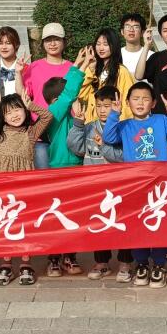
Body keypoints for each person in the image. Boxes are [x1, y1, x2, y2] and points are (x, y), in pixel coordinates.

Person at [101, 82, 167, 287]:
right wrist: (114, 114)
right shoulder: (124, 125)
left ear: (154, 103)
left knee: (160, 223)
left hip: (160, 184)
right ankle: (141, 263)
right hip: (135, 184)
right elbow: (108, 137)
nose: (140, 103)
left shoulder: (161, 120)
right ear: (128, 102)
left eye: (145, 98)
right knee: (137, 224)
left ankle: (159, 265)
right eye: (135, 98)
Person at [0, 67, 54, 287]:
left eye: (18, 110)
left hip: (23, 187)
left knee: (23, 223)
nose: (14, 115)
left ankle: (26, 263)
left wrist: (31, 104)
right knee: (3, 222)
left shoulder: (30, 133)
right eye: (8, 112)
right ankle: (6, 263)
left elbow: (47, 116)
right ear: (3, 115)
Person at [68, 88, 130, 281]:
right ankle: (101, 262)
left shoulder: (123, 128)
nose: (103, 110)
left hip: (118, 186)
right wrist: (78, 124)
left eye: (108, 106)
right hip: (95, 186)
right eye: (99, 106)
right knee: (98, 223)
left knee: (122, 223)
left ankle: (125, 263)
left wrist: (104, 145)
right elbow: (76, 147)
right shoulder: (88, 127)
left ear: (117, 106)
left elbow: (123, 157)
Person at [42, 50, 93, 277]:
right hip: (58, 170)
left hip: (77, 169)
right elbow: (69, 92)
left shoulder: (75, 118)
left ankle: (70, 256)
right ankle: (54, 257)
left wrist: (78, 64)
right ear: (57, 101)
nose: (74, 99)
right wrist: (81, 66)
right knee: (56, 214)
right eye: (68, 98)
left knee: (74, 215)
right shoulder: (52, 114)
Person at [23, 22, 73, 168]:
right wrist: (18, 74)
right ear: (43, 43)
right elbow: (24, 95)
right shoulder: (34, 67)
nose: (52, 44)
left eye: (56, 39)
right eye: (48, 40)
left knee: (65, 175)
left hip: (64, 130)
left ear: (64, 42)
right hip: (41, 132)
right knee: (43, 176)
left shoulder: (72, 68)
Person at [77, 29, 134, 122]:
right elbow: (80, 94)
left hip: (113, 124)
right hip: (92, 124)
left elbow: (127, 104)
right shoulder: (93, 69)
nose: (101, 48)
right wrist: (90, 70)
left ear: (114, 46)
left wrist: (119, 126)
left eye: (105, 44)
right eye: (98, 44)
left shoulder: (122, 72)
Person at [141, 13, 167, 83]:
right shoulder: (156, 58)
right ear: (161, 35)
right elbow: (139, 76)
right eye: (165, 31)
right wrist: (146, 45)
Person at [119, 12, 151, 78]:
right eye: (127, 26)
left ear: (142, 32)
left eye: (136, 27)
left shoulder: (151, 55)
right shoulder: (116, 54)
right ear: (122, 31)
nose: (131, 30)